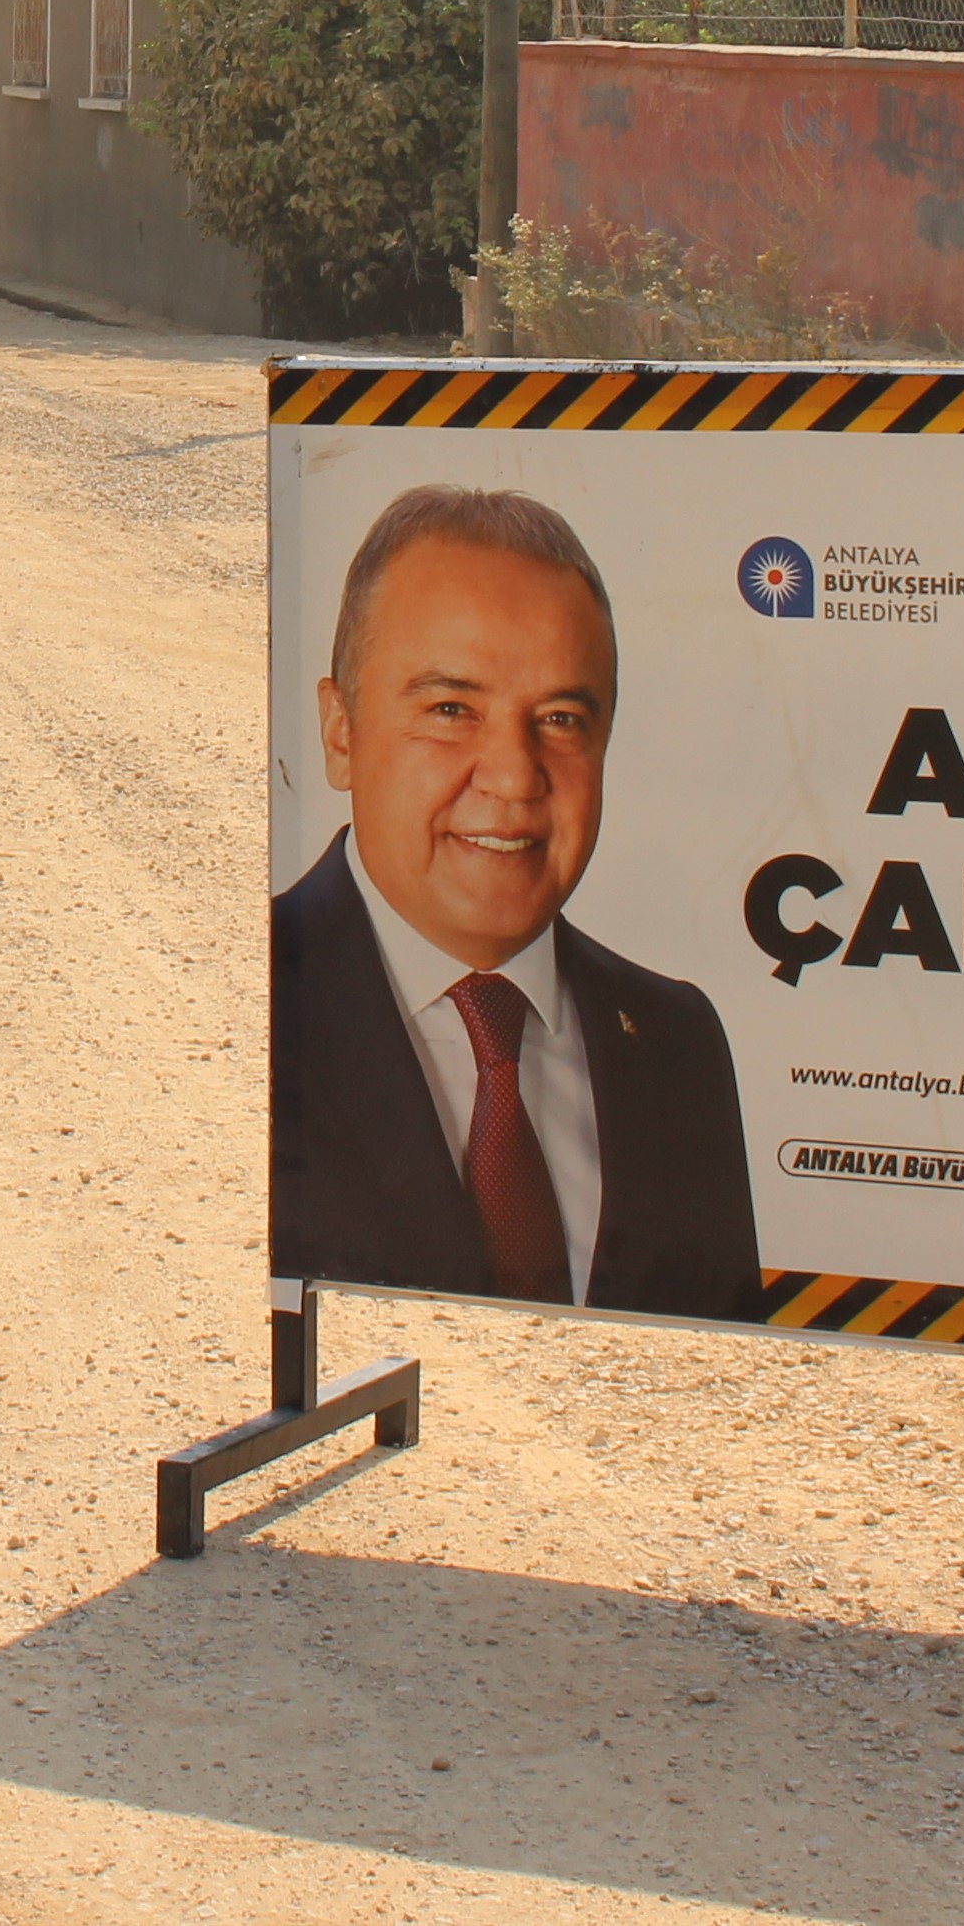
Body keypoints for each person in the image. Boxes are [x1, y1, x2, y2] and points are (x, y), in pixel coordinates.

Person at [270, 483, 759, 1319]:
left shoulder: (676, 1043)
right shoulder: (251, 1000)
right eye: (451, 708)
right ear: (339, 730)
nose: (513, 775)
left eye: (561, 719)